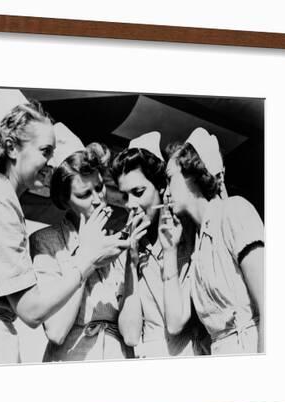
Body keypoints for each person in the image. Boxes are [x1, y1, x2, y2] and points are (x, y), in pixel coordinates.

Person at [0, 89, 128, 366]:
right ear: (12, 147)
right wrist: (87, 259)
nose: (52, 162)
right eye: (45, 151)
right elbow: (31, 310)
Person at [30, 125, 135, 362]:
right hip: (72, 359)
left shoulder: (118, 242)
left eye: (99, 188)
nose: (98, 200)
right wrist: (86, 258)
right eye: (84, 195)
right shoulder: (46, 242)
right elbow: (56, 332)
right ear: (64, 201)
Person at [160, 127, 264, 355]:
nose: (165, 193)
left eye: (169, 180)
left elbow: (270, 305)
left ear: (192, 174)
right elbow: (175, 323)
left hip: (249, 349)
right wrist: (169, 251)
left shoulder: (234, 211)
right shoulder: (198, 244)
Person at [112, 131, 202, 358]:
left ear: (162, 187)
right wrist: (130, 265)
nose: (130, 204)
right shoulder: (127, 248)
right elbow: (131, 336)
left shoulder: (191, 233)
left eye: (138, 192)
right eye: (124, 196)